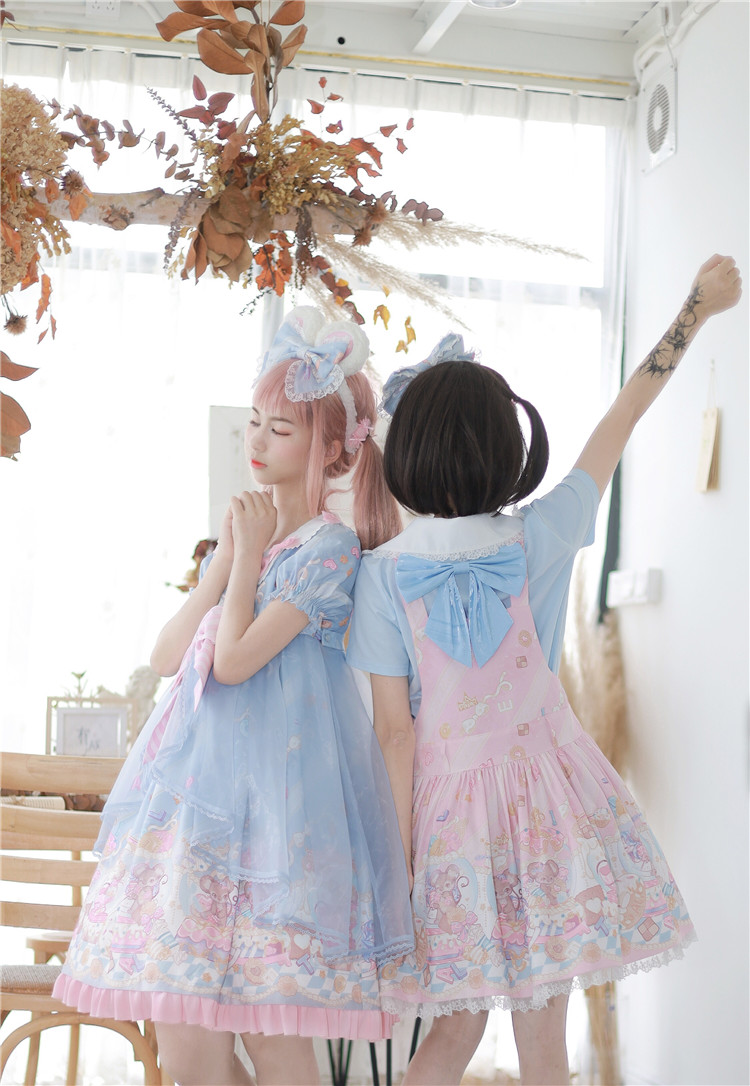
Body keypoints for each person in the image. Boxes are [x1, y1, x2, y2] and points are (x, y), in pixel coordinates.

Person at [347, 255, 742, 1086]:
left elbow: (393, 735)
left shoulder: (381, 576)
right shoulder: (542, 533)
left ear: (403, 453)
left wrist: (396, 866)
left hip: (446, 825)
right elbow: (622, 416)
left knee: (451, 1033)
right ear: (509, 447)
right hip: (549, 811)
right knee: (543, 1041)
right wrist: (695, 311)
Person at [53, 307, 413, 1086]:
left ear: (330, 448)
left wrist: (245, 555)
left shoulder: (331, 548)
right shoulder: (245, 532)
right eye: (254, 422)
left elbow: (238, 660)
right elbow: (167, 656)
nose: (257, 441)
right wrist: (229, 555)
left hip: (282, 820)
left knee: (274, 1033)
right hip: (202, 809)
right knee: (187, 1039)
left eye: (279, 430)